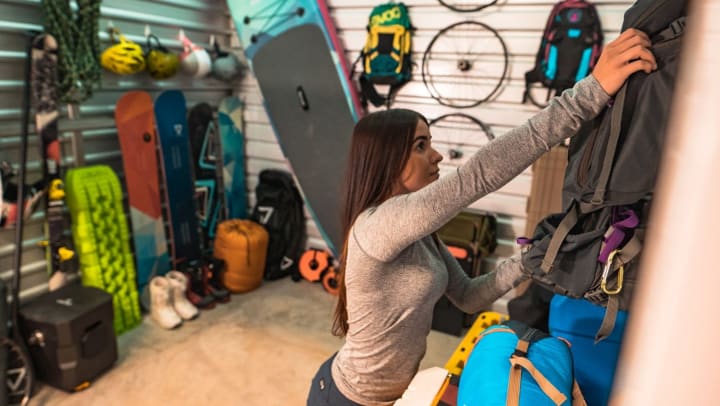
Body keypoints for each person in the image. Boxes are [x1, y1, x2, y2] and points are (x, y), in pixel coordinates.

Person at [306, 28, 657, 406]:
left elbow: (469, 298)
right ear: (387, 160)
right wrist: (589, 94)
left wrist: (530, 260)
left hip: (394, 396)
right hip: (346, 397)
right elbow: (479, 175)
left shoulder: (419, 233)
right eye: (421, 146)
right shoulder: (378, 226)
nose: (437, 156)